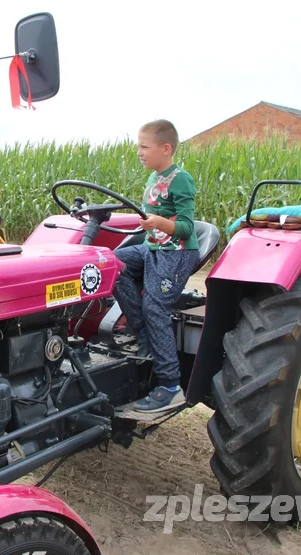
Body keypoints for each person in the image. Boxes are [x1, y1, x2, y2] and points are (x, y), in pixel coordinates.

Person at [113, 119, 198, 413]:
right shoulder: (153, 177)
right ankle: (145, 335)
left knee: (155, 307)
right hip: (153, 249)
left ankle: (170, 386)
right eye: (138, 146)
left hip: (177, 253)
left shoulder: (181, 179)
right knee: (110, 265)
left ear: (165, 148)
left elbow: (186, 227)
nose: (139, 152)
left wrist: (160, 223)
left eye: (144, 146)